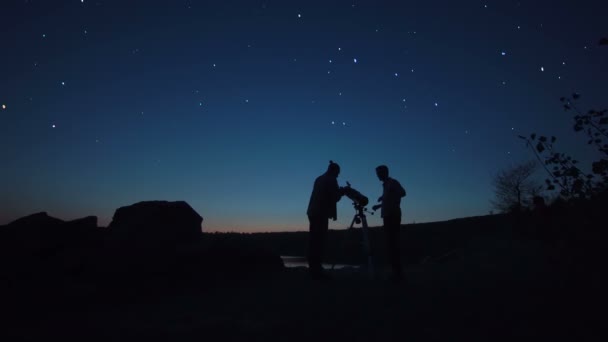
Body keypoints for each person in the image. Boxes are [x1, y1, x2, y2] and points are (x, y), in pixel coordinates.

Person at [306, 160, 344, 279]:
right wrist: (343, 191)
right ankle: (317, 270)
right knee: (319, 240)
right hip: (320, 213)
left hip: (312, 212)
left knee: (314, 240)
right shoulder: (331, 179)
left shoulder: (319, 178)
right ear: (334, 171)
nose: (338, 175)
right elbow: (335, 196)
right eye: (337, 173)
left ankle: (313, 267)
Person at [372, 165, 406, 281]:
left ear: (383, 173)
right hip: (387, 216)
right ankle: (395, 271)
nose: (377, 176)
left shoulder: (392, 182)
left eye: (378, 173)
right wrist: (380, 204)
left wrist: (391, 192)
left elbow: (402, 193)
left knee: (393, 244)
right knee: (391, 244)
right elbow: (389, 200)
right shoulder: (386, 185)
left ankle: (397, 273)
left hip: (393, 216)